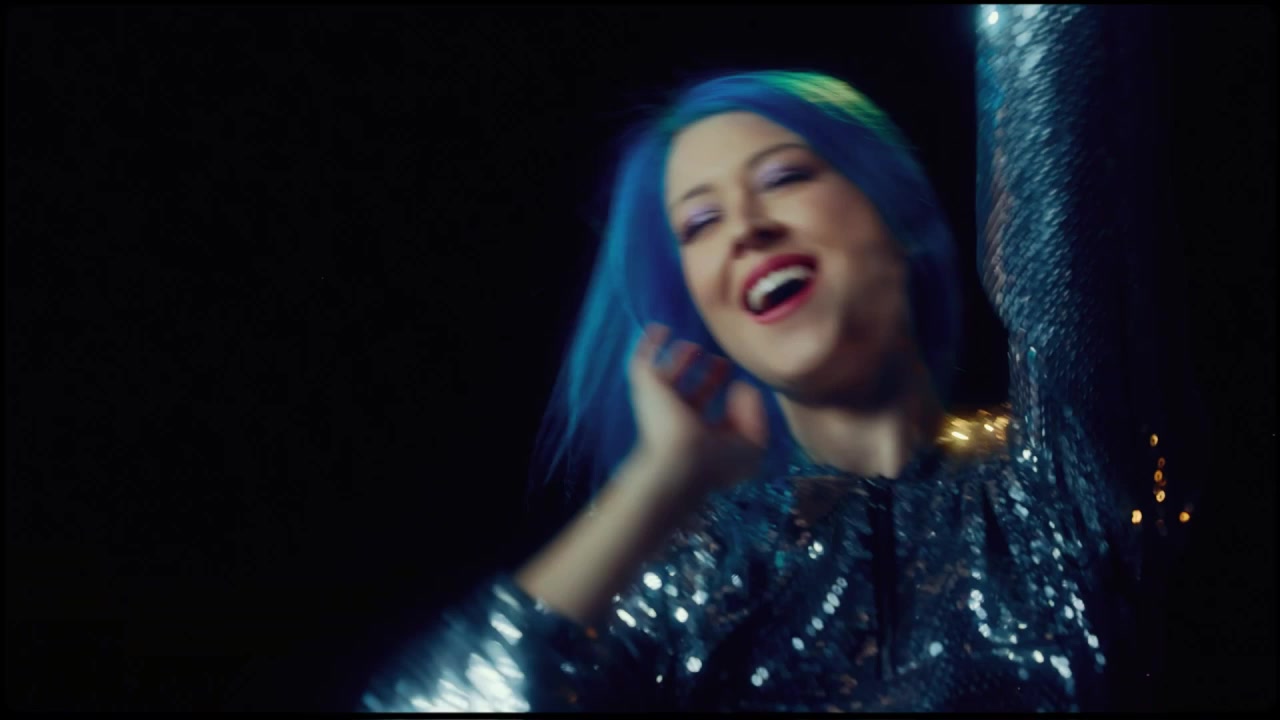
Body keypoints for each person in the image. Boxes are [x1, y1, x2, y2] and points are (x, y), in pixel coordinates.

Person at [358, 66, 1179, 713]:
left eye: (784, 176)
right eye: (700, 223)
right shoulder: (694, 573)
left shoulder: (1056, 478)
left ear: (900, 218)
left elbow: (1065, 141)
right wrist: (657, 487)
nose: (747, 229)